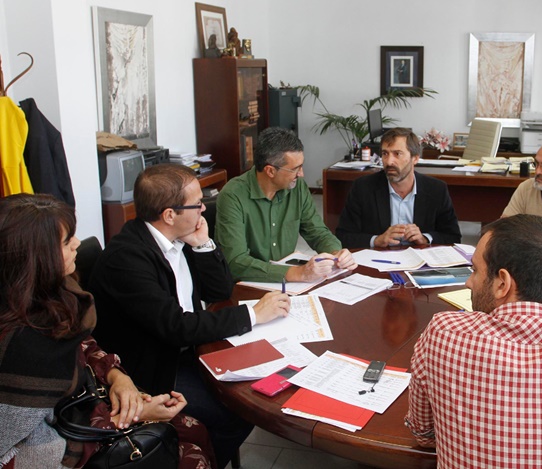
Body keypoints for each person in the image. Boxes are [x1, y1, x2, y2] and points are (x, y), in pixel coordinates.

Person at [89, 164, 290, 468]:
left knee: (262, 383)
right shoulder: (127, 259)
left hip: (187, 349)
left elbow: (220, 290)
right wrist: (253, 314)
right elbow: (177, 327)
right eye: (197, 204)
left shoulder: (178, 238)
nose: (204, 209)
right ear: (169, 215)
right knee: (237, 413)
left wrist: (204, 246)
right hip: (153, 368)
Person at [0, 194, 214, 469]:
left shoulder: (50, 294)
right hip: (69, 447)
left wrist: (117, 377)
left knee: (194, 431)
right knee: (187, 447)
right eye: (66, 241)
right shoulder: (20, 348)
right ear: (35, 258)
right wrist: (129, 417)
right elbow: (29, 449)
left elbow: (82, 345)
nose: (77, 243)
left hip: (87, 404)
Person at [405, 215, 542, 468]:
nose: (468, 282)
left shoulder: (444, 334)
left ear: (503, 283)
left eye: (475, 270)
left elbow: (424, 433)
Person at [216, 127, 357, 282]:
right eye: (295, 169)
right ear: (270, 171)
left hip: (286, 282)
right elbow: (236, 262)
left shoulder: (297, 187)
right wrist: (298, 273)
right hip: (248, 282)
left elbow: (317, 232)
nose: (301, 174)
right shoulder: (233, 195)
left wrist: (336, 253)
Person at [335, 127, 461, 249]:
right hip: (380, 258)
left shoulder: (436, 189)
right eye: (385, 153)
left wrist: (425, 239)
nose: (389, 162)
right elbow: (343, 236)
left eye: (397, 154)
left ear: (415, 158)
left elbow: (453, 237)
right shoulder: (363, 187)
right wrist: (377, 240)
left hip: (419, 259)